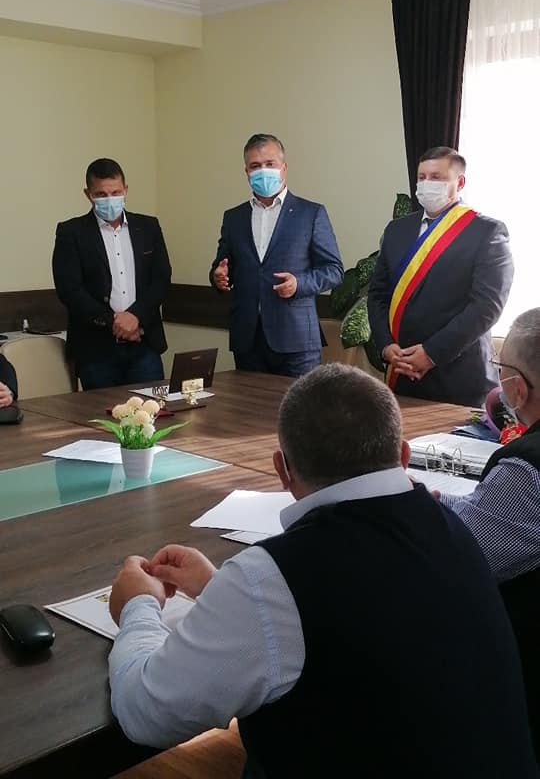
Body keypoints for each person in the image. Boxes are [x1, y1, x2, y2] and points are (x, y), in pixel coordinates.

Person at [108, 365, 537, 777]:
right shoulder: (459, 530)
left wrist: (138, 604)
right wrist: (219, 589)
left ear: (282, 470)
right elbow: (369, 618)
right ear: (403, 456)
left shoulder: (274, 576)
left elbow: (145, 713)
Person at [440, 307, 540, 758]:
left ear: (517, 388)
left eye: (501, 369)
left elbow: (466, 553)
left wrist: (423, 504)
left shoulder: (526, 469)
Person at [367, 145, 514, 405]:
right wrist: (386, 345)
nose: (426, 184)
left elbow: (486, 307)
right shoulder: (397, 230)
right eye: (422, 177)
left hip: (460, 378)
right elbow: (378, 295)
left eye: (436, 177)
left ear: (460, 182)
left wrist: (431, 353)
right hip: (402, 372)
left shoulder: (487, 232)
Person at [209, 134, 343, 376]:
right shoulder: (234, 217)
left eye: (269, 164)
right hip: (248, 340)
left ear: (284, 167)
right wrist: (218, 277)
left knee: (300, 402)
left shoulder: (311, 213)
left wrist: (299, 284)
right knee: (248, 402)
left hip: (297, 342)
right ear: (246, 172)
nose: (263, 170)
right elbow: (223, 265)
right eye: (255, 166)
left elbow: (334, 270)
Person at [52, 158, 172, 390]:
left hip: (144, 343)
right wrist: (115, 323)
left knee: (152, 408)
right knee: (102, 411)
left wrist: (135, 316)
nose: (110, 199)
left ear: (125, 190)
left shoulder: (148, 227)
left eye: (115, 192)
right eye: (101, 194)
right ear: (88, 194)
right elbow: (69, 289)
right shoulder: (71, 232)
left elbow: (161, 278)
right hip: (96, 351)